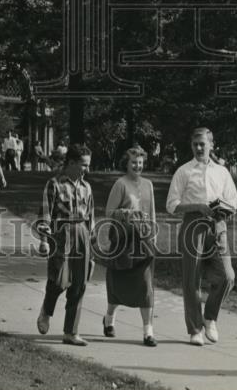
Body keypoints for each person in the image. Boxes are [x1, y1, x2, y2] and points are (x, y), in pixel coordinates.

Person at [166, 125, 237, 346]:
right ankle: (195, 329)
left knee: (227, 277)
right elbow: (171, 205)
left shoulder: (222, 172)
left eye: (203, 144)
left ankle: (210, 317)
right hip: (192, 226)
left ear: (211, 145)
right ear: (191, 145)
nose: (199, 148)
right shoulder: (184, 171)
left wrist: (225, 210)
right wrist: (197, 206)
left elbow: (233, 200)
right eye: (195, 144)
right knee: (192, 280)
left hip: (218, 226)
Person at [35, 144, 94, 346]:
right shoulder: (54, 184)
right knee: (59, 280)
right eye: (83, 165)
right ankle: (46, 309)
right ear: (71, 163)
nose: (86, 169)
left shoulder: (86, 187)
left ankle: (71, 332)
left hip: (82, 235)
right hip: (61, 235)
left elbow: (90, 217)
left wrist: (91, 245)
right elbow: (44, 214)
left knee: (79, 284)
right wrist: (44, 241)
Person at [102, 146, 157, 346]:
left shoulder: (149, 184)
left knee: (145, 286)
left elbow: (151, 212)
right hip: (124, 241)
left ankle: (148, 332)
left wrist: (153, 231)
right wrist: (127, 214)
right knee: (118, 287)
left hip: (143, 242)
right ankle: (109, 318)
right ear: (126, 163)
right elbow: (109, 212)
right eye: (134, 162)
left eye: (141, 162)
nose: (138, 165)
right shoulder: (120, 184)